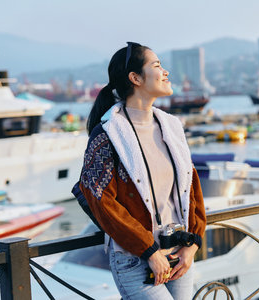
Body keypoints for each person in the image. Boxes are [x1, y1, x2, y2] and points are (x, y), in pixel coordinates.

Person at [79, 42, 206, 299]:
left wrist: (193, 242)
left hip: (179, 252)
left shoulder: (171, 126)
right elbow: (101, 201)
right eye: (157, 65)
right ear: (135, 78)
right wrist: (148, 250)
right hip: (136, 260)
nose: (166, 72)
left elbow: (191, 187)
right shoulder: (108, 134)